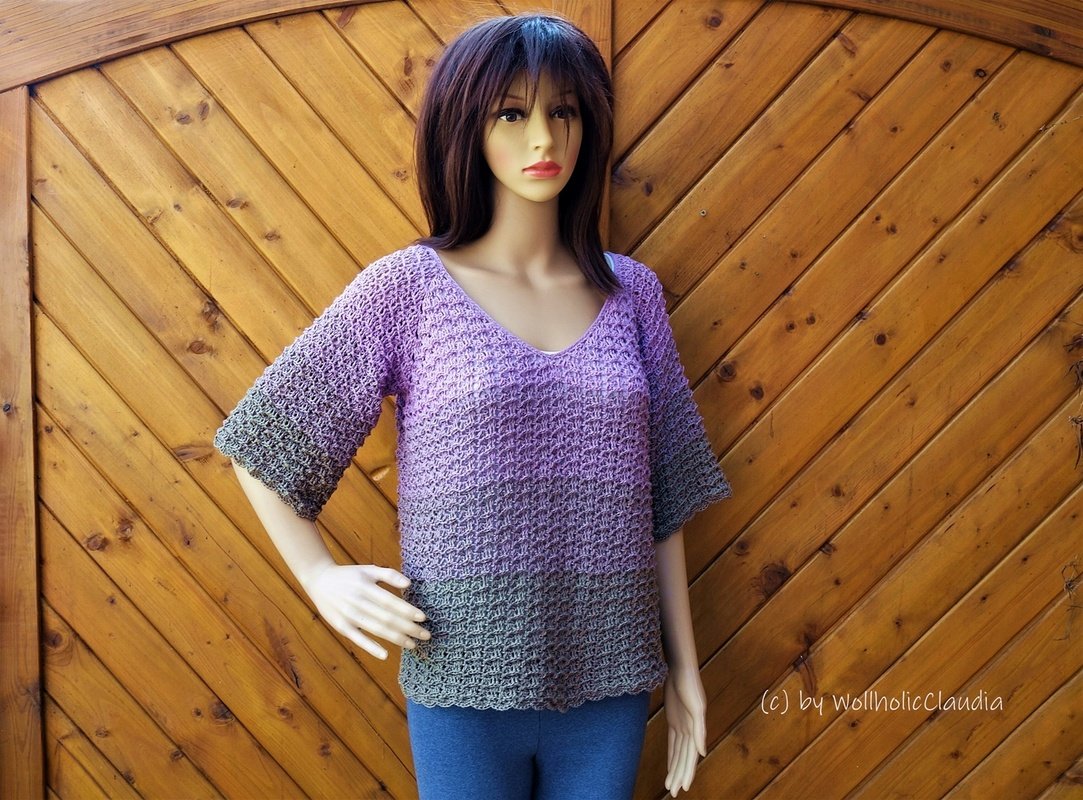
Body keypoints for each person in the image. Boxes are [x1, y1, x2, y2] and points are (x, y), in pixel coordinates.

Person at [213, 12, 732, 800]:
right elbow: (264, 442)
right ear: (466, 127)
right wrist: (318, 578)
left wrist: (685, 667)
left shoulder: (633, 296)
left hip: (610, 676)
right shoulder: (409, 290)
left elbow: (664, 498)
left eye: (563, 111)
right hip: (460, 676)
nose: (543, 138)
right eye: (511, 114)